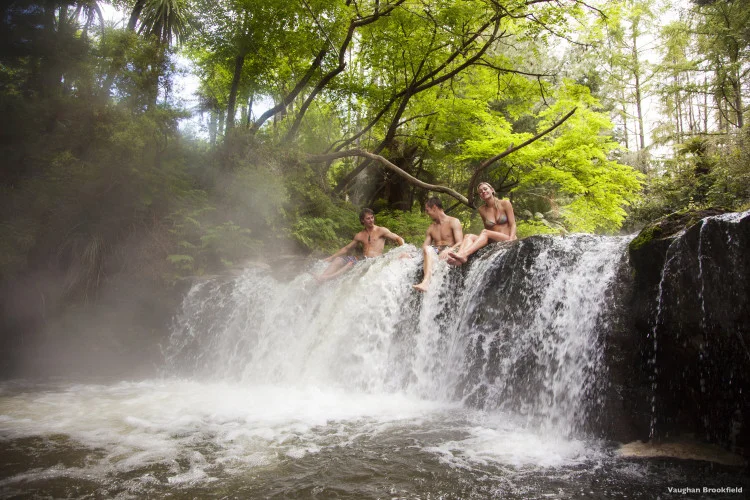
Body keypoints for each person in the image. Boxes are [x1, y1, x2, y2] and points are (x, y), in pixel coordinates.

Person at [314, 208, 405, 281]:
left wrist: (403, 249)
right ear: (362, 221)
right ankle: (322, 276)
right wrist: (331, 257)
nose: (371, 220)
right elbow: (346, 249)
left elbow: (398, 238)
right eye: (368, 218)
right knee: (338, 259)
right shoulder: (360, 235)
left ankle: (326, 278)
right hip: (363, 259)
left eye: (372, 217)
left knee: (350, 264)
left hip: (376, 260)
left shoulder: (381, 230)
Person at [448, 182, 516, 266]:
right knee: (468, 236)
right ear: (480, 196)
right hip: (493, 240)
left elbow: (513, 224)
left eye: (485, 189)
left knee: (485, 232)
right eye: (480, 192)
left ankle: (464, 254)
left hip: (507, 237)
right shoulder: (482, 209)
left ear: (492, 190)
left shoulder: (505, 203)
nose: (483, 192)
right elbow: (488, 229)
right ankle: (460, 258)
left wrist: (511, 240)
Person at [413, 197, 463, 292]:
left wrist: (450, 250)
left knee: (430, 250)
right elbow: (425, 246)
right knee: (427, 249)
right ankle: (426, 282)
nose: (427, 213)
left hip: (450, 250)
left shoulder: (453, 221)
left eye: (428, 210)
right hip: (436, 252)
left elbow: (460, 242)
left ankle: (426, 282)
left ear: (434, 207)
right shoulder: (431, 227)